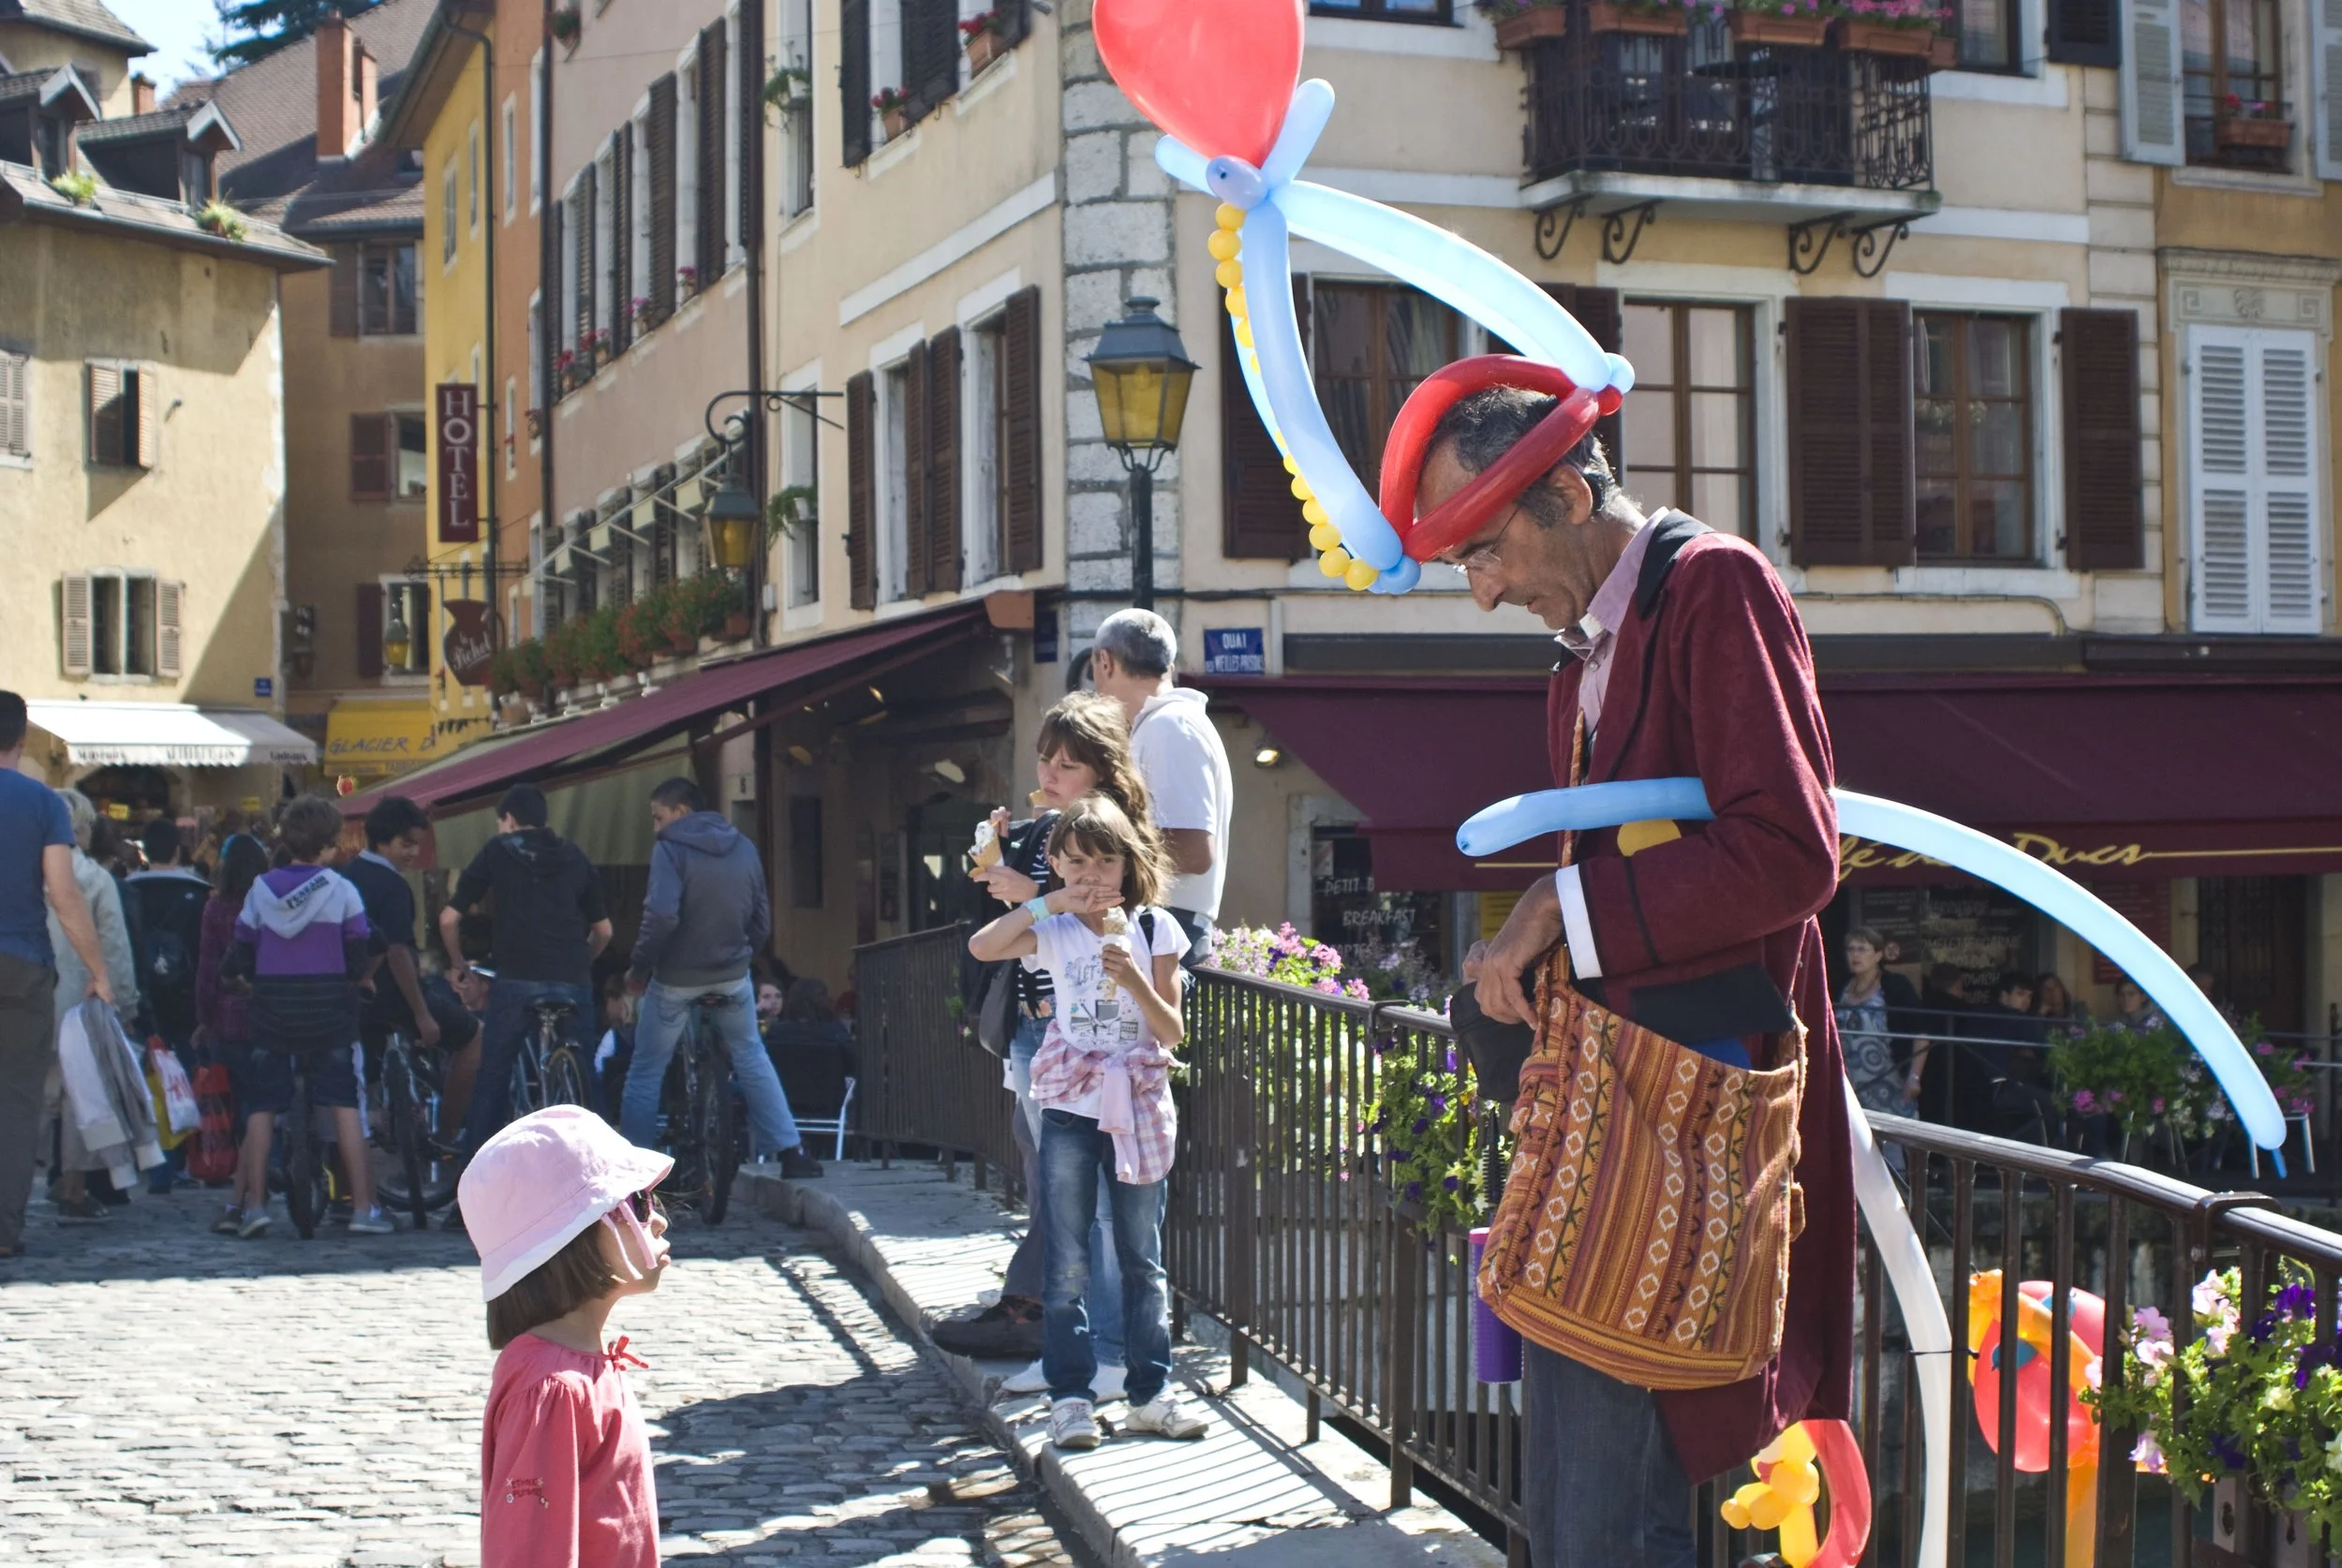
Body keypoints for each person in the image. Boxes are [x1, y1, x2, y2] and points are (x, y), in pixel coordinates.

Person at [1426, 389, 1852, 1568]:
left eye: (1486, 550)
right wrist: (1535, 922)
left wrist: (1559, 907)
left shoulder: (1715, 586)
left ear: (1566, 494)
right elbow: (1615, 860)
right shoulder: (1582, 651)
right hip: (1609, 1119)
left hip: (1686, 1123)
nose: (1484, 590)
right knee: (1575, 1509)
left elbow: (1789, 852)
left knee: (1614, 1519)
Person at [968, 792, 1207, 1451]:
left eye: (1105, 862)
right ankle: (1071, 1397)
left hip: (1136, 1101)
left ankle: (1148, 1393)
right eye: (1076, 862)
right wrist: (1048, 901)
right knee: (1068, 1258)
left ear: (1129, 865)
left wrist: (1133, 979)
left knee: (1140, 1255)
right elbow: (984, 945)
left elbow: (1172, 1029)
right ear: (1056, 863)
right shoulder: (1054, 926)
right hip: (1071, 1102)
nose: (1092, 877)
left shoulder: (1156, 928)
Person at [941, 691, 1154, 1387]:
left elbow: (1093, 918)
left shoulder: (1099, 836)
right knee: (1062, 1206)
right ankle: (1069, 1353)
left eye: (1069, 763)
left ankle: (1106, 1355)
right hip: (1045, 1032)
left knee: (1096, 1212)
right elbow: (998, 937)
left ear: (1100, 769)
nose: (1054, 772)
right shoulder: (1050, 828)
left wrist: (1028, 885)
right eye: (1046, 759)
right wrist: (1013, 873)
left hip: (1090, 1036)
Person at [460, 1104, 670, 1568]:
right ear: (570, 1239)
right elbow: (530, 1553)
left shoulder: (580, 1367)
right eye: (637, 1204)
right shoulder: (550, 1390)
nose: (659, 1221)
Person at [618, 777, 822, 1180]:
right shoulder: (744, 847)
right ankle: (792, 1151)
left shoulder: (670, 848)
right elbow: (761, 918)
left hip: (676, 976)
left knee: (645, 1070)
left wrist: (640, 968)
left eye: (658, 817)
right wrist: (744, 953)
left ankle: (634, 1178)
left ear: (681, 812)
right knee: (750, 1054)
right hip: (731, 974)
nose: (656, 826)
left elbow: (661, 915)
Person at [229, 794, 393, 1235]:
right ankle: (363, 1209)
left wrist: (253, 978)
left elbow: (242, 947)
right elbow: (361, 950)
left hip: (272, 1008)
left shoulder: (261, 889)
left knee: (263, 1107)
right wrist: (355, 979)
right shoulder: (342, 889)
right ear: (329, 845)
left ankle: (255, 1206)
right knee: (343, 1103)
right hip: (328, 1009)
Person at [439, 785, 613, 1188]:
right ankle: (607, 1181)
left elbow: (449, 919)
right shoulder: (574, 855)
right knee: (587, 1073)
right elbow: (604, 930)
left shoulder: (497, 851)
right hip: (572, 976)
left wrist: (458, 964)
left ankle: (472, 1191)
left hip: (517, 976)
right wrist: (580, 963)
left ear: (509, 821)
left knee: (493, 1077)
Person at [0, 694, 112, 1259]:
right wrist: (98, 970)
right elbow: (64, 895)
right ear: (21, 740)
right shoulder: (43, 802)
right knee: (17, 1101)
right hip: (21, 962)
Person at [343, 796, 483, 1181]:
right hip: (393, 996)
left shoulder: (346, 876)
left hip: (352, 1000)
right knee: (472, 1037)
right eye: (407, 844)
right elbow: (398, 954)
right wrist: (422, 1013)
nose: (414, 853)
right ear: (384, 841)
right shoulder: (393, 886)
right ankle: (447, 1134)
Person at [1088, 609, 1232, 968]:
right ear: (1168, 665)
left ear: (1105, 662)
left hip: (1166, 926)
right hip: (1161, 923)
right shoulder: (1163, 724)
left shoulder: (1171, 726)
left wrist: (1099, 857)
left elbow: (1196, 851)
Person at [44, 788, 145, 1224]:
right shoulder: (96, 881)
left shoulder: (22, 874)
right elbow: (115, 950)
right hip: (80, 1006)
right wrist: (125, 1004)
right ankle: (72, 1187)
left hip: (29, 999)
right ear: (79, 830)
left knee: (27, 1098)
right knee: (79, 1101)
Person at [196, 833, 272, 1236]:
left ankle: (247, 1188)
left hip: (228, 1018)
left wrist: (203, 1017)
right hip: (269, 1012)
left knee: (242, 1107)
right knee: (265, 1102)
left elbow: (208, 968)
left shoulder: (216, 908)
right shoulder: (267, 903)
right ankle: (263, 1175)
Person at [1835, 926, 1928, 1133]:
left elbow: (1920, 1033)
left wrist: (1914, 1077)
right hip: (1852, 1082)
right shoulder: (1841, 986)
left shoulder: (1896, 986)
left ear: (1878, 955)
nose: (1855, 955)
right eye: (1851, 949)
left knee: (1895, 1147)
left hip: (1891, 1079)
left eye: (1862, 949)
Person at [2036, 970, 2092, 1040]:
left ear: (2062, 989)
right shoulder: (2042, 1017)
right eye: (2047, 990)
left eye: (2056, 987)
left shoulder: (2078, 1008)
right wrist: (2041, 1014)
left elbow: (2087, 1035)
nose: (2053, 992)